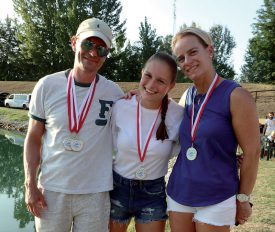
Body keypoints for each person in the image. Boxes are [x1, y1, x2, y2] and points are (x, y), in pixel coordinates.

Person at [23, 18, 124, 232]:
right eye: (88, 44)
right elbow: (33, 138)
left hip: (95, 194)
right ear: (74, 43)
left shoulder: (114, 93)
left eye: (101, 49)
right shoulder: (47, 85)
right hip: (51, 191)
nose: (93, 53)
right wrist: (30, 184)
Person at [166, 27, 261, 232]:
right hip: (180, 192)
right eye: (181, 58)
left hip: (217, 195)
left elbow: (253, 152)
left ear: (209, 51)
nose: (187, 62)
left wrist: (243, 198)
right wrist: (137, 97)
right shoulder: (186, 97)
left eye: (193, 52)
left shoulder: (236, 95)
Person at [109, 52, 183, 232]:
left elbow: (184, 149)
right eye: (148, 76)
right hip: (118, 187)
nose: (151, 85)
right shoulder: (120, 106)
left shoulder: (179, 115)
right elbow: (109, 144)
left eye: (161, 81)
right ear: (142, 73)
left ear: (171, 86)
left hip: (153, 191)